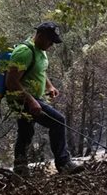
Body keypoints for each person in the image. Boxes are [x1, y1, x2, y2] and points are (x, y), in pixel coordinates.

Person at [6, 22, 77, 176]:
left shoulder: (41, 50)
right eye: (50, 40)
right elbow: (11, 82)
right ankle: (64, 164)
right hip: (21, 100)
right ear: (40, 35)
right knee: (58, 121)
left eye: (53, 41)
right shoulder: (24, 52)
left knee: (25, 132)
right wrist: (31, 100)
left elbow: (40, 71)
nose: (51, 44)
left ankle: (20, 167)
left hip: (34, 98)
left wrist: (49, 86)